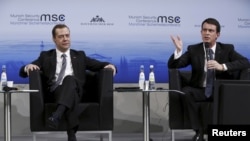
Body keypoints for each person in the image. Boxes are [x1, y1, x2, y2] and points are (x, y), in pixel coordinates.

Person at [19, 24, 116, 141]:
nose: (65, 39)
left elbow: (99, 65)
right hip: (55, 92)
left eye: (67, 35)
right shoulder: (46, 56)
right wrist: (28, 67)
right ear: (54, 39)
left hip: (77, 90)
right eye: (61, 36)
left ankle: (57, 115)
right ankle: (71, 134)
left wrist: (111, 66)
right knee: (71, 94)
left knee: (69, 79)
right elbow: (23, 72)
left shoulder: (80, 55)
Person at [168, 18, 250, 141]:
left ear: (217, 34)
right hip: (200, 89)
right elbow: (174, 65)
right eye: (204, 30)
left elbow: (245, 62)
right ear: (201, 32)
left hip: (220, 90)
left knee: (229, 96)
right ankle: (199, 131)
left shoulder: (227, 49)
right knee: (186, 93)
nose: (207, 33)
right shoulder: (193, 50)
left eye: (211, 31)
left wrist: (222, 66)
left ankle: (224, 132)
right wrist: (178, 51)